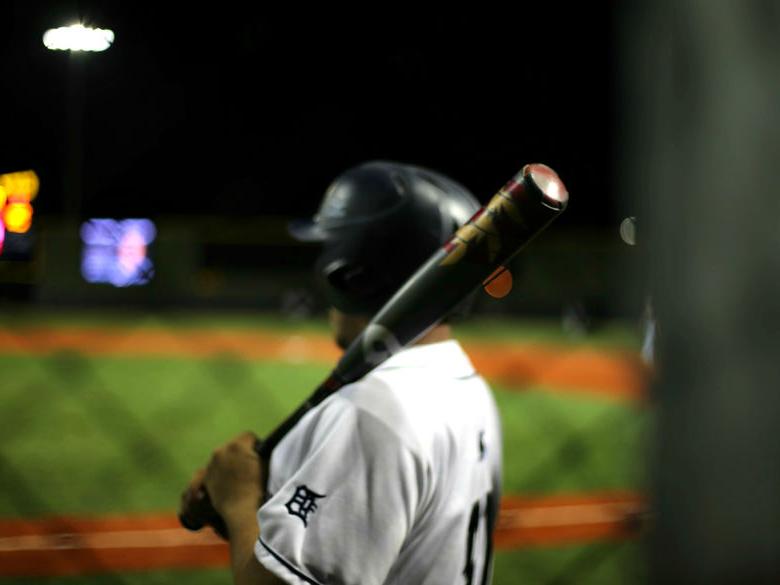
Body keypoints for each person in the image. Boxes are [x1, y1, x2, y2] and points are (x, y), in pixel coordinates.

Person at [181, 160, 503, 585]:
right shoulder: (466, 385)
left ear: (351, 272)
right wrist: (249, 511)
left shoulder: (373, 410)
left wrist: (240, 502)